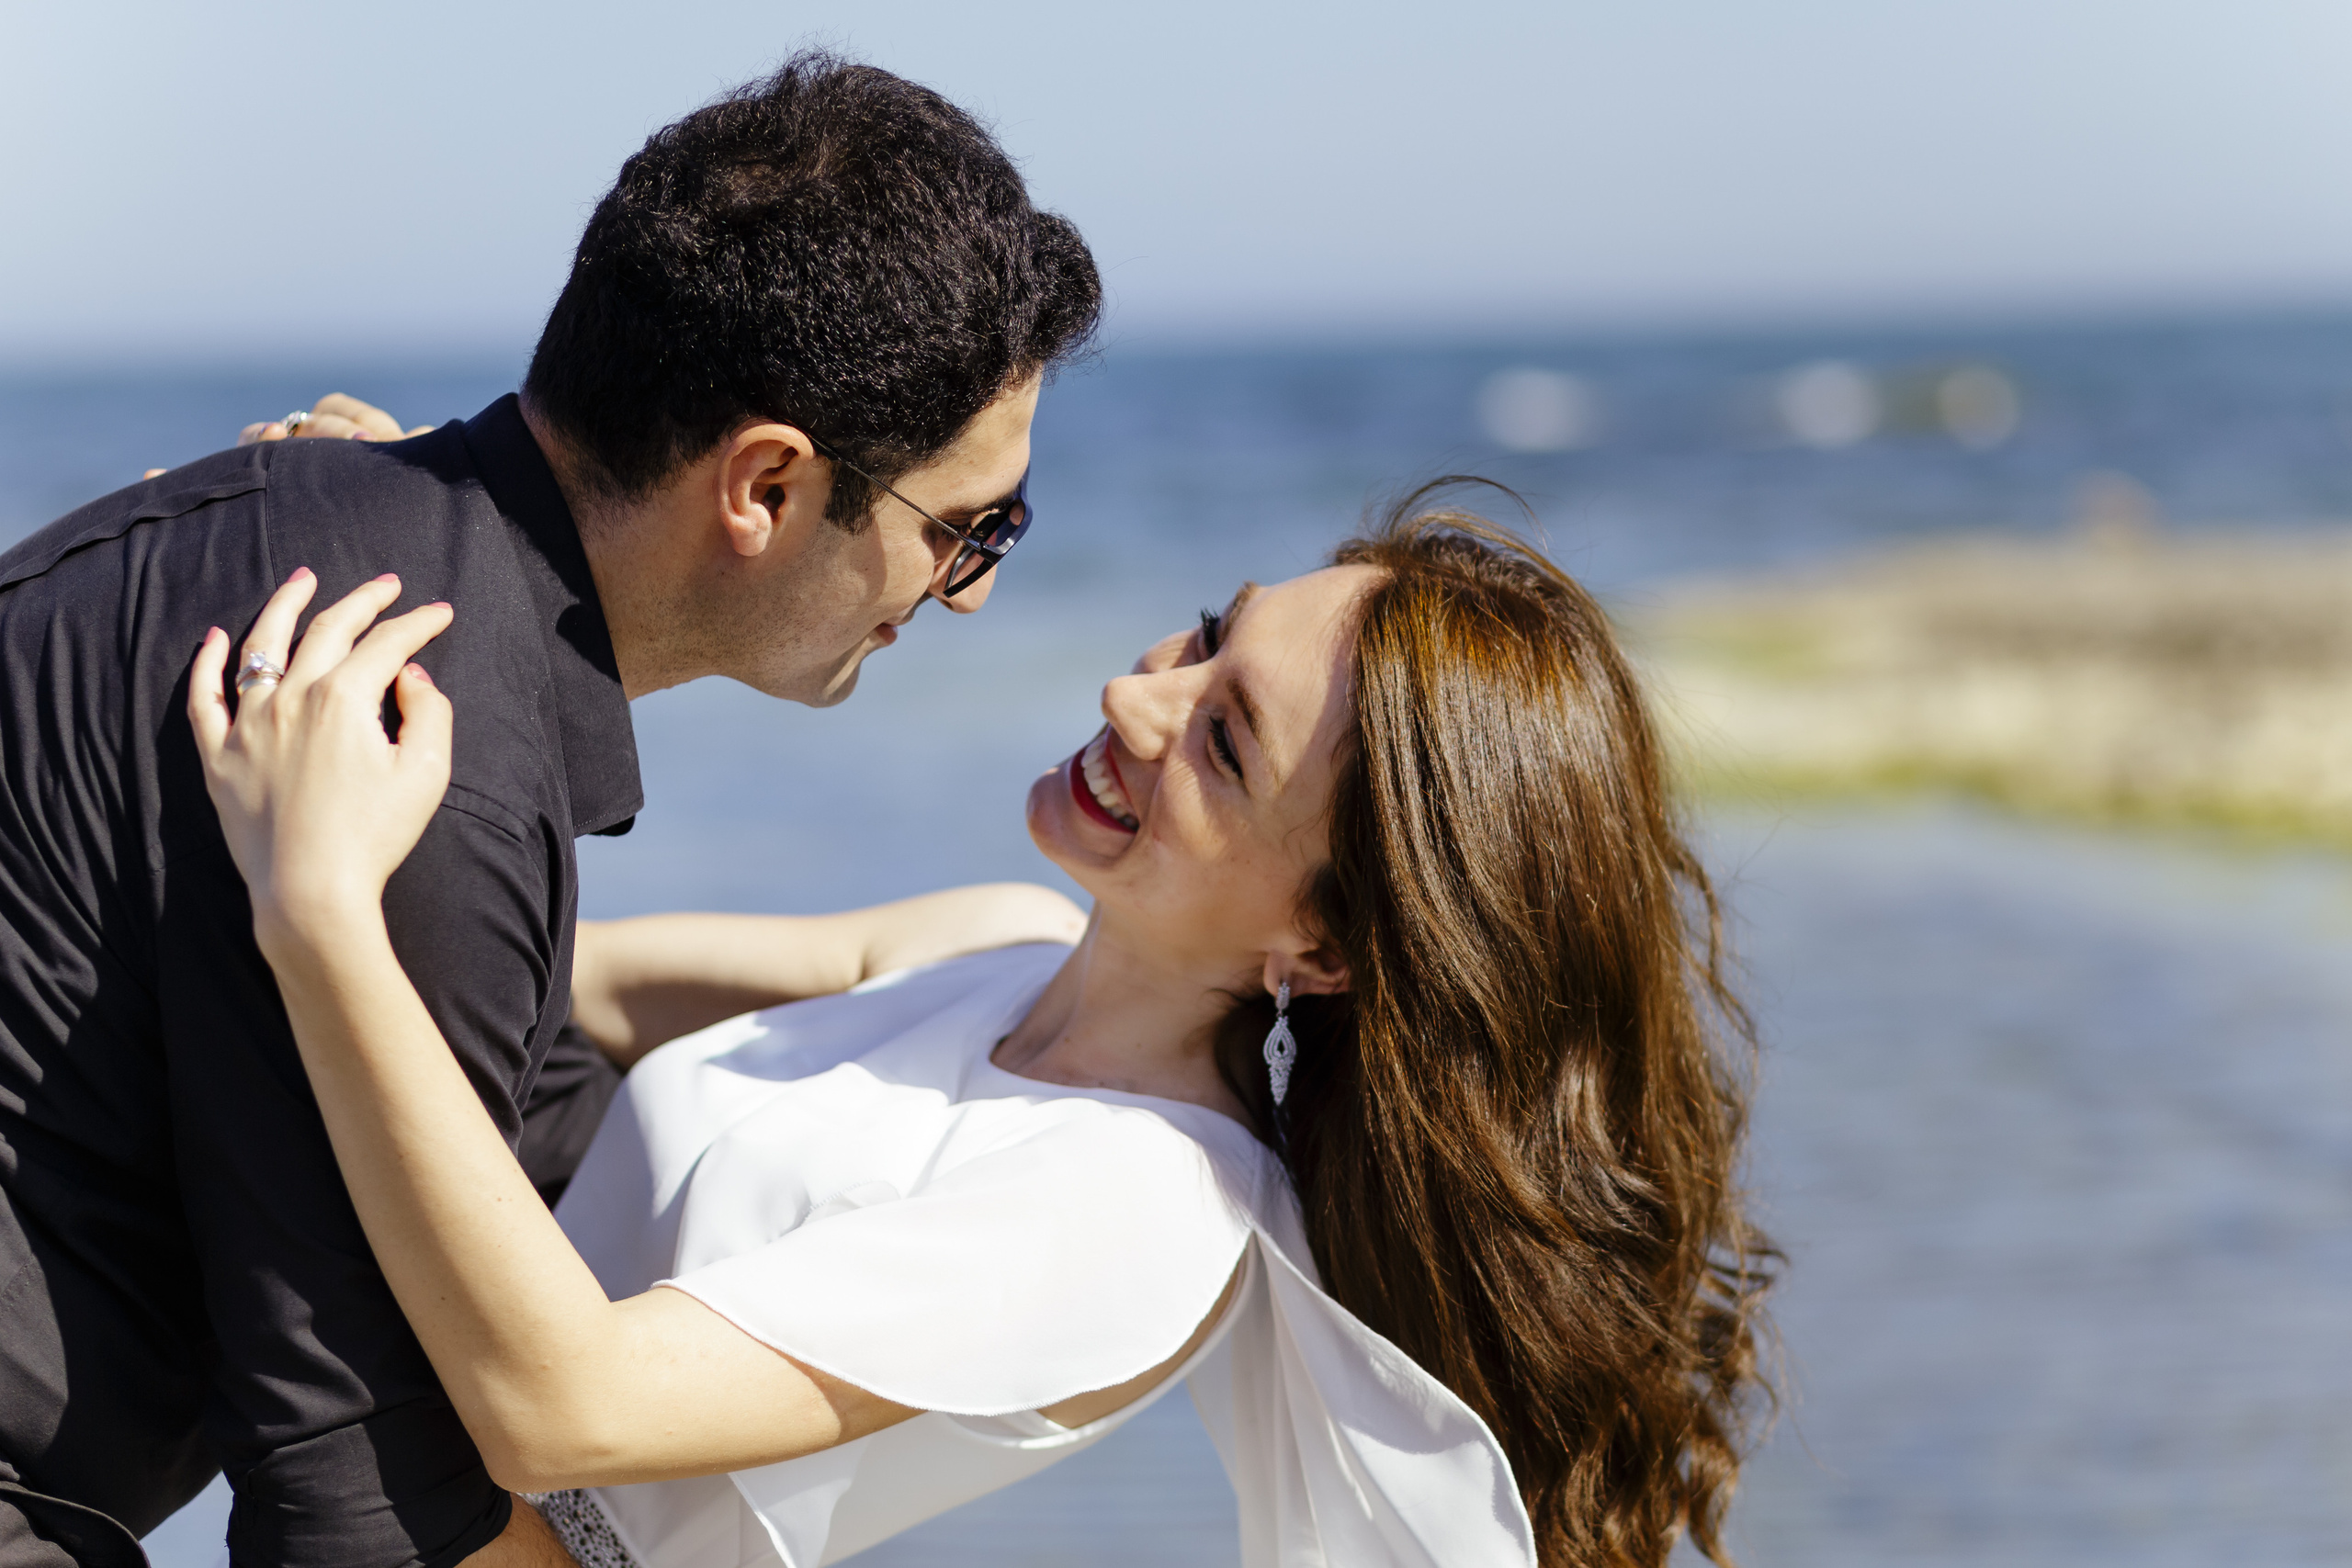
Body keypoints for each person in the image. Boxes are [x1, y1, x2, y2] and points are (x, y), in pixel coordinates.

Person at [189, 491, 1777, 1568]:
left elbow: (567, 1405)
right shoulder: (997, 946)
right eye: (1205, 632)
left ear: (1331, 940)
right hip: (385, 1471)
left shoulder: (1143, 1219)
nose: (1137, 695)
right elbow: (561, 983)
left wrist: (317, 909)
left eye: (1225, 743)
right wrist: (425, 557)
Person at [0, 53, 1098, 1568]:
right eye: (969, 531)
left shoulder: (354, 552)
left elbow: (510, 1104)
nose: (962, 595)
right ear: (766, 486)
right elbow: (353, 1510)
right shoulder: (412, 736)